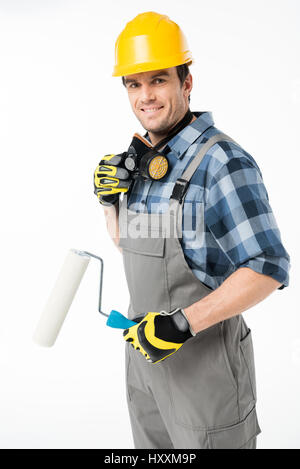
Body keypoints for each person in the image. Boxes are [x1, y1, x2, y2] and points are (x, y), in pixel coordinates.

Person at [94, 12, 291, 449]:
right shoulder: (146, 161)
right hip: (146, 370)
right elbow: (133, 248)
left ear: (186, 82)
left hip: (206, 380)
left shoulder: (222, 162)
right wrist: (109, 201)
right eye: (133, 83)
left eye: (158, 80)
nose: (145, 96)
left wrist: (181, 326)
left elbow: (269, 268)